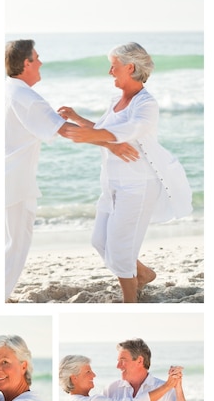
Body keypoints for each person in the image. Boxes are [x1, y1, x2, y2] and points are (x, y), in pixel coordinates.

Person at [4, 39, 139, 299]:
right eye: (37, 57)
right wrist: (112, 145)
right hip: (16, 184)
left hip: (8, 181)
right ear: (26, 63)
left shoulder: (9, 90)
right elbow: (67, 132)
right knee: (15, 248)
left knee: (9, 246)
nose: (41, 62)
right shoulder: (26, 97)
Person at [58, 42, 193, 302]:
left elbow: (134, 129)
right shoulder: (116, 100)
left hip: (138, 185)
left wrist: (95, 136)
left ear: (130, 67)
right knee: (100, 241)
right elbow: (101, 127)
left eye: (114, 66)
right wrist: (78, 119)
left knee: (120, 250)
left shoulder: (146, 104)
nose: (110, 71)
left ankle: (129, 301)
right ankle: (143, 274)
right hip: (111, 184)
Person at [104, 338, 190, 401]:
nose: (117, 366)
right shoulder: (111, 389)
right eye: (118, 361)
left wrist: (178, 389)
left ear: (140, 360)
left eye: (123, 361)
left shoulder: (166, 389)